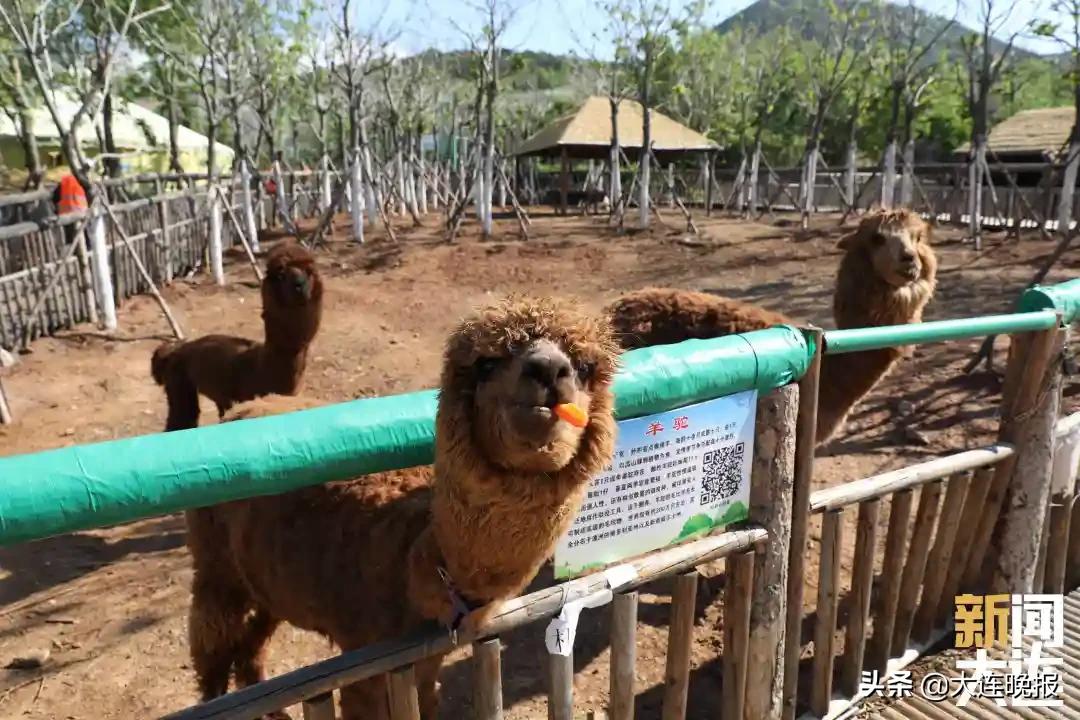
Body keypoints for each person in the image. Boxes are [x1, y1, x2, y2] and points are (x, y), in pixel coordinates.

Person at [52, 173, 88, 244]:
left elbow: (55, 198)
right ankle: (87, 247)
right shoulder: (82, 181)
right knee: (84, 233)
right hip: (81, 212)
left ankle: (72, 249)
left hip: (66, 214)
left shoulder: (63, 183)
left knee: (69, 236)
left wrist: (57, 210)